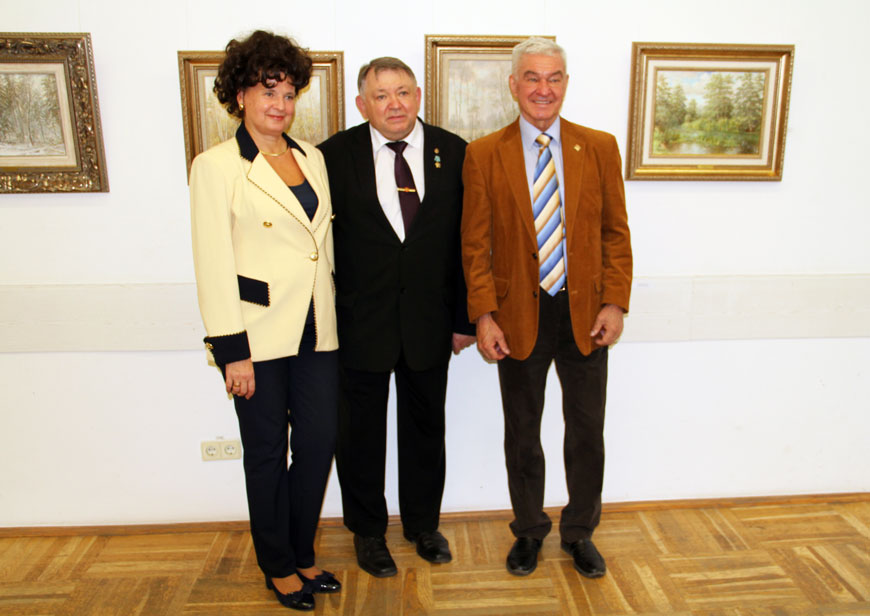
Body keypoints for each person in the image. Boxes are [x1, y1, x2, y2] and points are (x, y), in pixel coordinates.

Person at [460, 37, 632, 579]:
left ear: (565, 83)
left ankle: (580, 531)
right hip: (516, 318)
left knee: (586, 433)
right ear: (514, 85)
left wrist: (615, 303)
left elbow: (615, 233)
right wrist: (484, 315)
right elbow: (475, 245)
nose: (543, 88)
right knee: (522, 432)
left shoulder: (599, 147)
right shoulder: (483, 154)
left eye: (553, 77)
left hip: (586, 316)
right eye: (532, 77)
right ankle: (530, 531)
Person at [189, 30, 341, 612]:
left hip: (317, 329)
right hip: (255, 334)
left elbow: (320, 249)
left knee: (319, 445)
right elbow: (213, 263)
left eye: (288, 92)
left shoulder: (312, 158)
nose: (280, 103)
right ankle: (277, 565)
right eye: (266, 90)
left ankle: (302, 553)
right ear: (240, 96)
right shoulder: (216, 166)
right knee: (265, 454)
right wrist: (232, 351)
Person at [318, 57, 475, 578]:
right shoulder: (331, 157)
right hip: (359, 324)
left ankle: (423, 526)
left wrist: (465, 318)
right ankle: (368, 533)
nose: (394, 104)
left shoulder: (455, 152)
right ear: (362, 104)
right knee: (359, 435)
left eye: (403, 92)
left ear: (419, 95)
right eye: (381, 95)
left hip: (430, 321)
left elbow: (468, 242)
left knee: (426, 429)